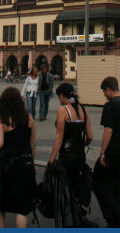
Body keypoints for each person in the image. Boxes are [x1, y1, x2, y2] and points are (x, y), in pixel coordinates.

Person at [93, 76, 120, 228]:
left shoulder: (110, 106)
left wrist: (102, 152)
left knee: (98, 181)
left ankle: (116, 216)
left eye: (104, 91)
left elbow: (108, 130)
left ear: (109, 89)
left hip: (114, 152)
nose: (104, 94)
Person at [0, 87, 37, 227]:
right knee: (22, 206)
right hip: (26, 162)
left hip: (8, 165)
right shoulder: (29, 118)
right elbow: (33, 145)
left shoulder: (2, 119)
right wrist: (32, 164)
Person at [48, 83, 94, 218]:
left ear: (62, 95)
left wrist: (52, 158)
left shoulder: (63, 110)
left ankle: (68, 217)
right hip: (79, 155)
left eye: (59, 96)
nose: (59, 99)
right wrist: (82, 145)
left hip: (66, 156)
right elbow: (90, 136)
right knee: (77, 185)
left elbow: (59, 137)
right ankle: (77, 214)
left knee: (65, 188)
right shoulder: (83, 110)